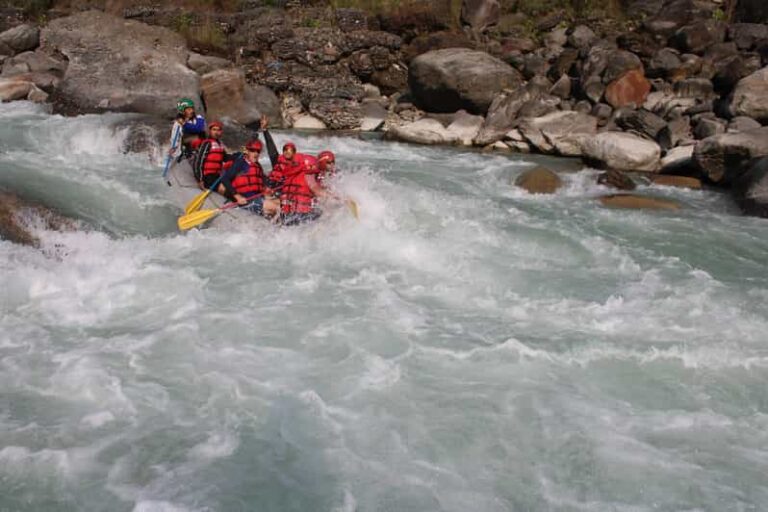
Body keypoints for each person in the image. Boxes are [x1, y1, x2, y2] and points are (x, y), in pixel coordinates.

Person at [218, 138, 280, 217]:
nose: (256, 153)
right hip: (246, 200)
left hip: (257, 197)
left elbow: (263, 181)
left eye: (258, 151)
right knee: (275, 207)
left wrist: (267, 189)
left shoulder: (257, 166)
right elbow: (225, 179)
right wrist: (237, 196)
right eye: (252, 151)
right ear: (247, 151)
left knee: (281, 203)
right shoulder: (241, 163)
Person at [193, 121, 233, 189]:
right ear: (210, 131)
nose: (216, 132)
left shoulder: (220, 145)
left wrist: (237, 156)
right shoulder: (207, 143)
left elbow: (225, 158)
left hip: (217, 176)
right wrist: (200, 179)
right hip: (207, 177)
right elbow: (199, 161)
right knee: (225, 188)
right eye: (214, 129)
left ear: (221, 132)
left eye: (218, 130)